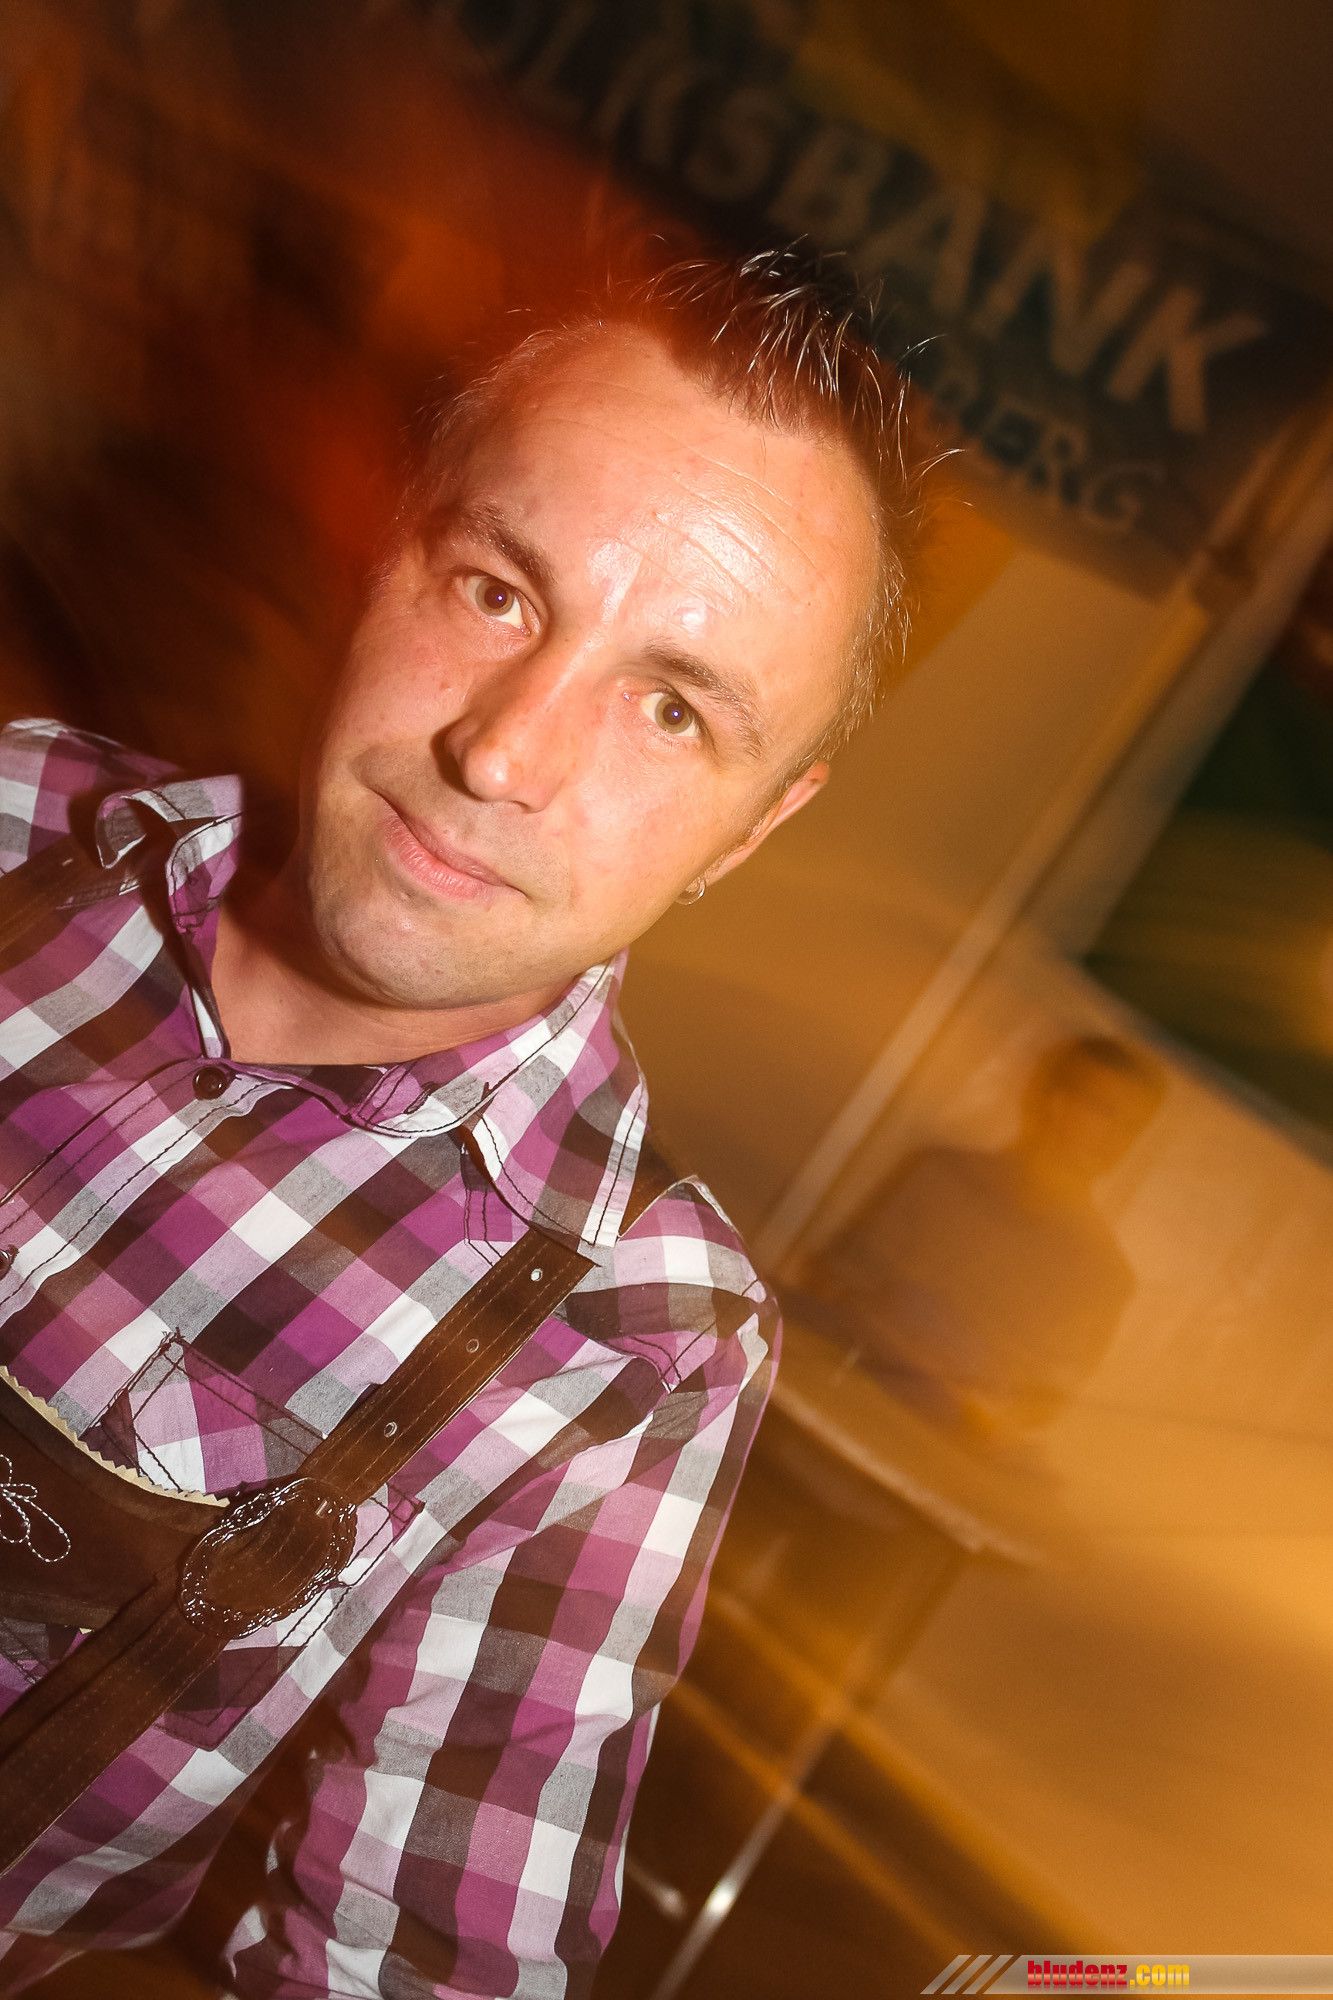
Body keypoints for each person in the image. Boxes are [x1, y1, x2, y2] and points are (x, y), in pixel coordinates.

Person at [0, 249, 926, 1997]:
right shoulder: (21, 819)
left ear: (750, 829)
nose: (504, 756)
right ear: (383, 552)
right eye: (497, 592)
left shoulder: (624, 1344)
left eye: (672, 707)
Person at [795, 1035, 1166, 1439]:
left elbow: (1036, 1407)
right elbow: (828, 1284)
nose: (1116, 1137)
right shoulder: (938, 1176)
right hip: (828, 1403)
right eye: (1104, 1111)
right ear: (1052, 1100)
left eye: (1131, 1126)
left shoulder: (1103, 1276)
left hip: (931, 1449)